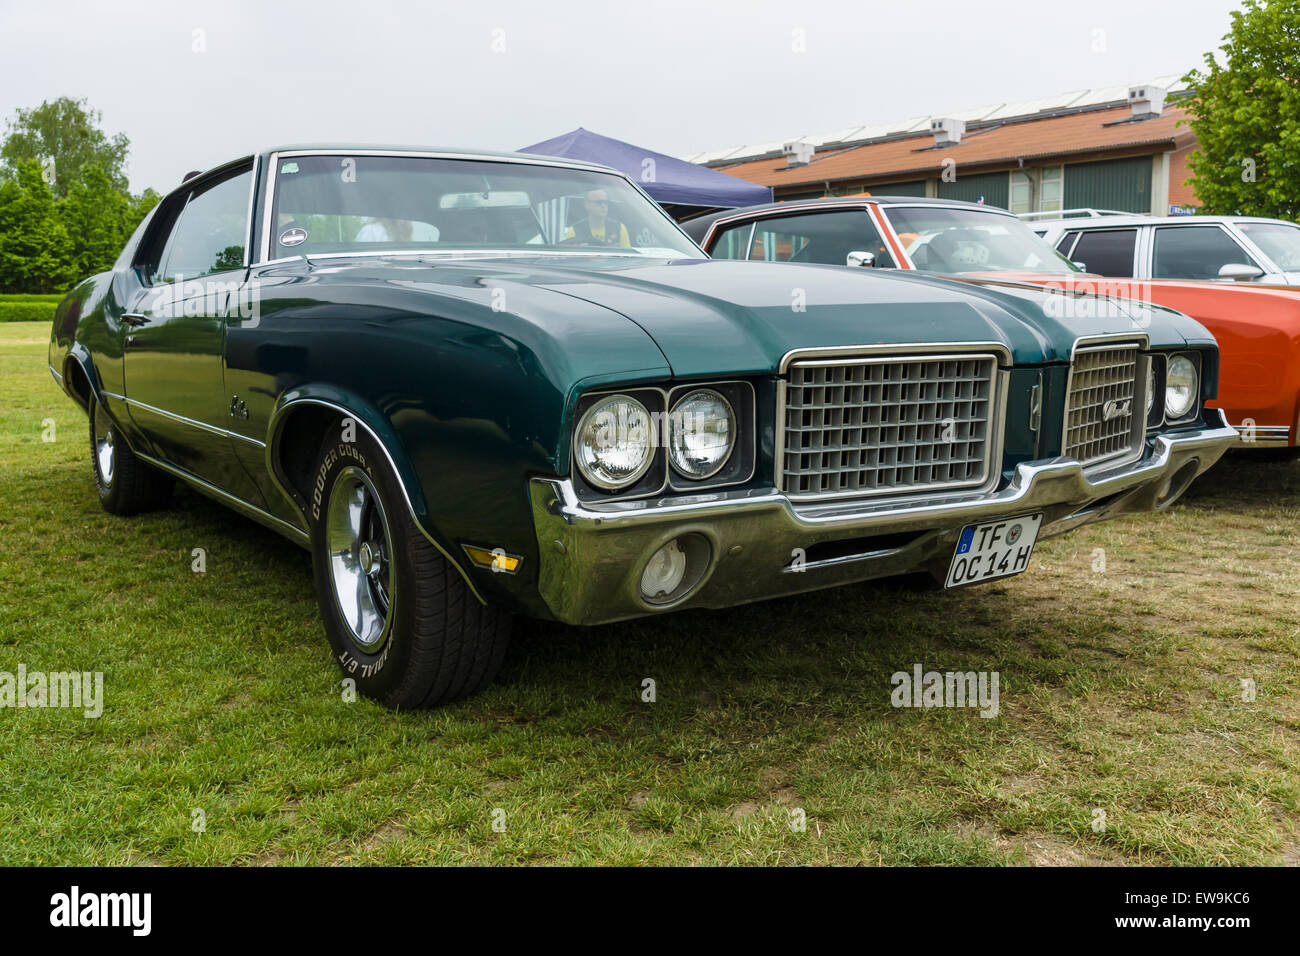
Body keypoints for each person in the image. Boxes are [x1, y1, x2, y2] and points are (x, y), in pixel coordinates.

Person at [564, 189, 631, 247]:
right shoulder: (574, 231)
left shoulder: (619, 228)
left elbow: (628, 256)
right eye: (599, 202)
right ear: (586, 205)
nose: (603, 205)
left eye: (605, 202)